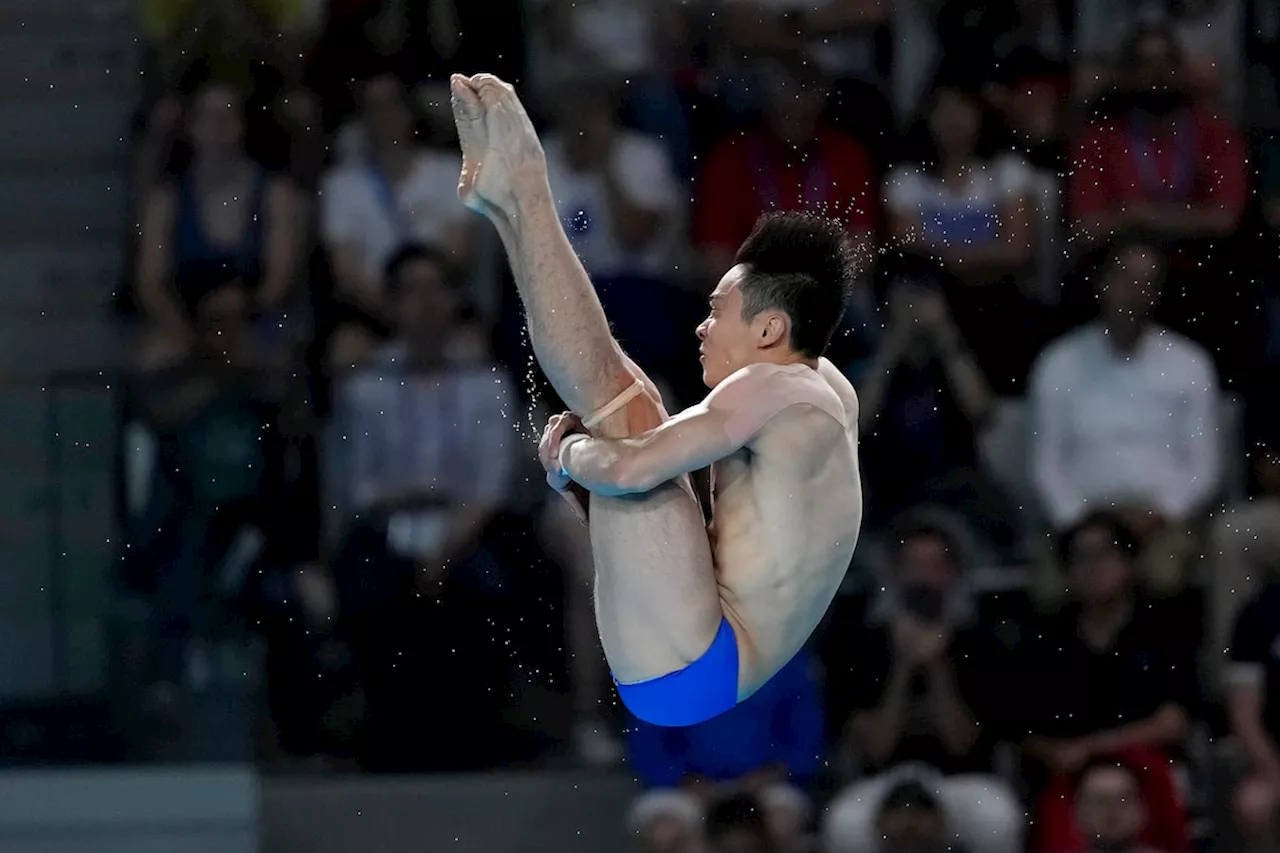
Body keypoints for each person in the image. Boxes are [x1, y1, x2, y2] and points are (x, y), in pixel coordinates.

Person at [449, 73, 861, 727]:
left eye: (717, 310)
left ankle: (526, 188)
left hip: (700, 655)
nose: (701, 325)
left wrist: (575, 459)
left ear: (769, 329)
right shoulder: (822, 386)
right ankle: (511, 206)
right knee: (633, 405)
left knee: (626, 406)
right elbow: (730, 521)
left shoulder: (775, 386)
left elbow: (636, 467)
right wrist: (587, 475)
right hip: (699, 658)